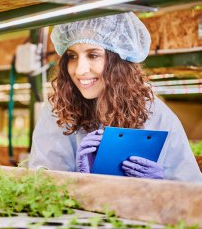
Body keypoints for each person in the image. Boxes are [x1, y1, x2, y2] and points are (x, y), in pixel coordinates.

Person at [28, 12, 202, 182]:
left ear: (119, 59)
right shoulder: (59, 110)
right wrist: (78, 180)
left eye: (93, 55)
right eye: (72, 56)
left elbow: (191, 191)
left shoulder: (156, 114)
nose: (79, 70)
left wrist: (162, 186)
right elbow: (43, 184)